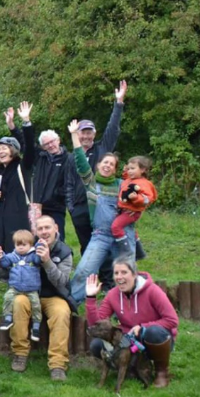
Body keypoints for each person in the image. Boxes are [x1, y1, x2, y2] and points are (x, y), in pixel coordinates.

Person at [0, 215, 73, 379]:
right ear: (35, 232)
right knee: (18, 302)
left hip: (53, 296)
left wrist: (47, 261)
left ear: (56, 228)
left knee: (62, 312)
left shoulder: (64, 252)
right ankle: (20, 353)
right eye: (40, 228)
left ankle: (57, 364)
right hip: (26, 294)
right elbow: (6, 275)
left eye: (47, 227)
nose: (44, 232)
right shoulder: (26, 247)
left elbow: (62, 282)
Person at [67, 119, 137, 304]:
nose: (107, 166)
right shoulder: (90, 183)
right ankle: (70, 304)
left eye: (112, 164)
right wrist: (74, 135)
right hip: (101, 236)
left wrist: (135, 207)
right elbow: (80, 161)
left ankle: (129, 307)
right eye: (105, 162)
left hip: (123, 236)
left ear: (115, 169)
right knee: (83, 270)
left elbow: (140, 201)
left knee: (126, 273)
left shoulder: (123, 185)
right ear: (98, 165)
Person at [85, 257, 178, 387]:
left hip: (153, 338)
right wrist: (90, 297)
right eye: (116, 273)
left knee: (153, 332)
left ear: (134, 274)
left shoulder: (153, 291)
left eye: (124, 272)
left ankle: (161, 372)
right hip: (128, 340)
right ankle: (129, 368)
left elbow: (172, 320)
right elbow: (97, 325)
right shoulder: (112, 294)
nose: (119, 277)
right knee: (96, 345)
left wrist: (143, 327)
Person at [69, 80, 128, 252]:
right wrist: (71, 207)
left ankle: (107, 269)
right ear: (77, 134)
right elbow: (67, 182)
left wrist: (119, 103)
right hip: (80, 207)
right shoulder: (72, 157)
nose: (86, 136)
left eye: (89, 133)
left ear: (94, 134)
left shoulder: (103, 148)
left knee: (104, 244)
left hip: (101, 205)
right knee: (85, 245)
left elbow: (113, 128)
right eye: (83, 133)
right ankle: (88, 269)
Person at [0, 102, 36, 253]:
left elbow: (29, 146)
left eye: (4, 148)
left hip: (19, 223)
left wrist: (25, 122)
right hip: (0, 226)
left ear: (13, 150)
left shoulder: (23, 166)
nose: (0, 152)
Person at [0, 230, 43, 342]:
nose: (20, 247)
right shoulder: (12, 256)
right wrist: (1, 254)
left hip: (31, 289)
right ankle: (8, 318)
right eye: (18, 245)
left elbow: (39, 260)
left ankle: (36, 326)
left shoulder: (33, 256)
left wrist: (39, 246)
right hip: (15, 287)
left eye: (24, 245)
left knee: (36, 306)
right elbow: (4, 263)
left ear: (30, 245)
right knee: (7, 298)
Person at [112, 156, 156, 257]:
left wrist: (136, 198)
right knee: (130, 229)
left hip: (131, 212)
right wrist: (125, 172)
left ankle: (125, 250)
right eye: (128, 169)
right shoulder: (130, 179)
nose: (130, 171)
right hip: (123, 209)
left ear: (142, 169)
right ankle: (139, 251)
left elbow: (147, 199)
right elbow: (126, 181)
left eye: (132, 168)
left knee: (116, 226)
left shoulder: (144, 183)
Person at [32, 128, 71, 239]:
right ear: (43, 147)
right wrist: (14, 127)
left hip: (56, 207)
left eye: (52, 141)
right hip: (38, 207)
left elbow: (69, 182)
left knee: (57, 237)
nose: (50, 145)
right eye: (46, 144)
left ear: (58, 140)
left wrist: (57, 194)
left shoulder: (68, 159)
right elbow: (26, 142)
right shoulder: (41, 158)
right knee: (37, 238)